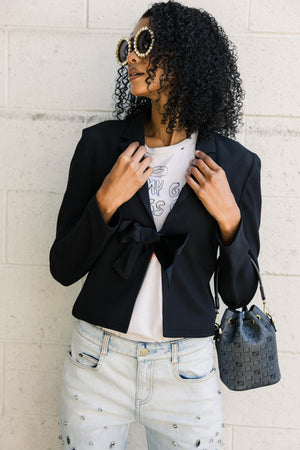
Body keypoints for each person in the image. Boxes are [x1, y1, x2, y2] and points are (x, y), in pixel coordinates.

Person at [49, 1, 261, 449]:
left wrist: (230, 221)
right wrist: (107, 199)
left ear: (186, 58)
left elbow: (238, 294)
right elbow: (63, 267)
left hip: (188, 371)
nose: (130, 57)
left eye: (143, 45)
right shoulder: (100, 145)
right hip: (96, 364)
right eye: (127, 46)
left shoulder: (236, 166)